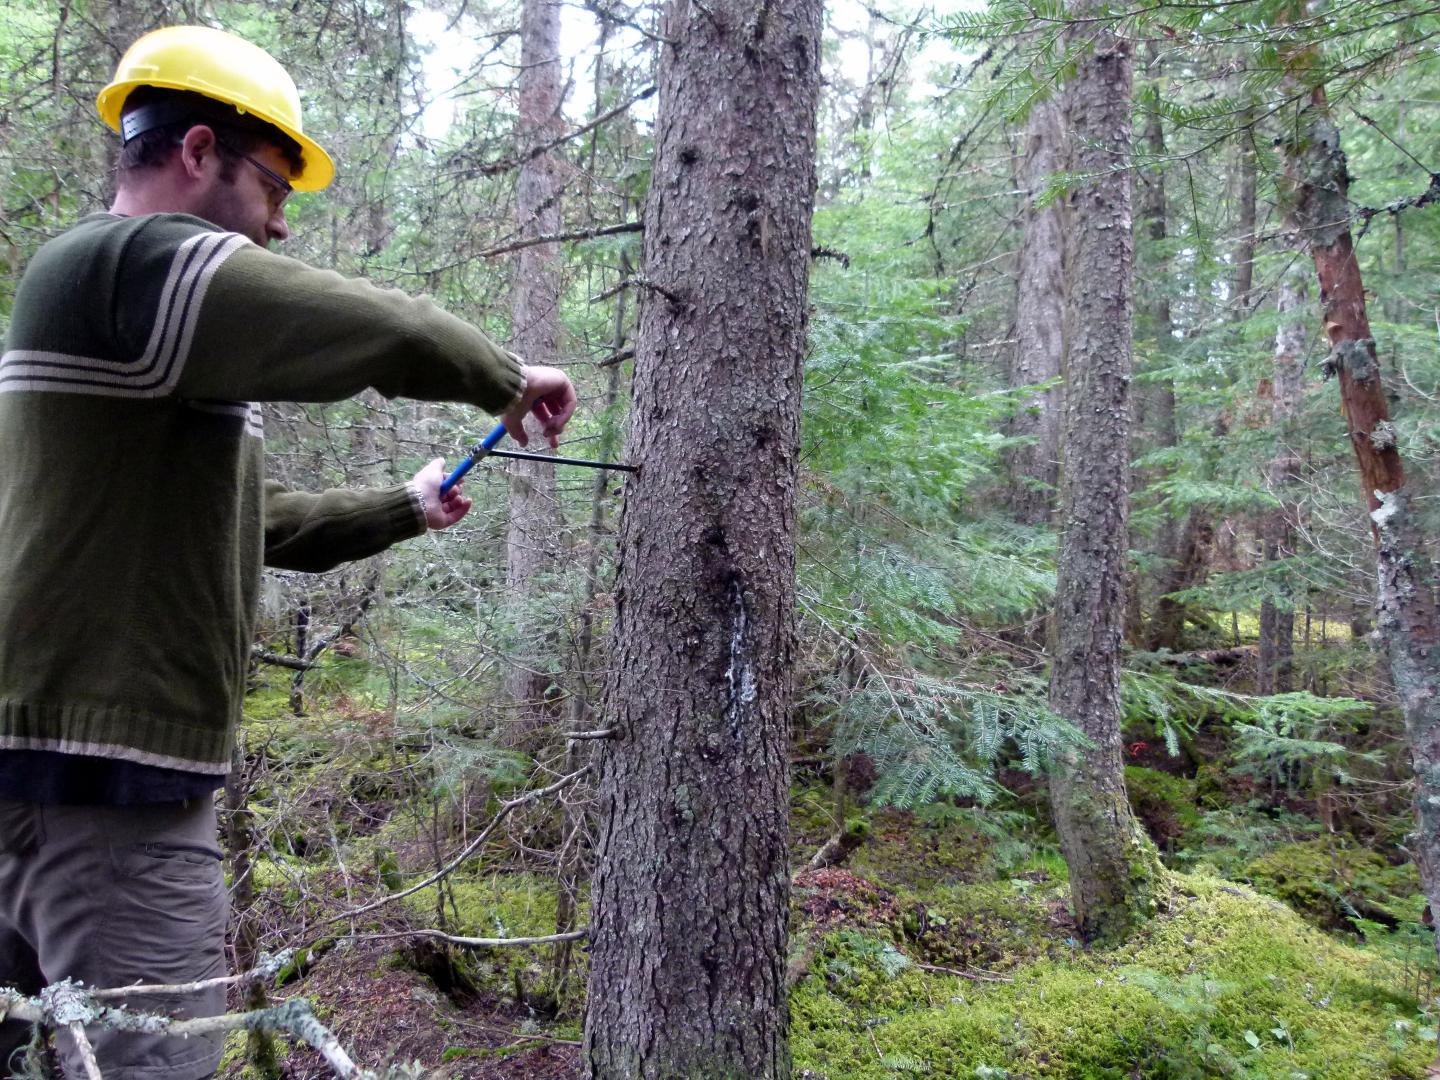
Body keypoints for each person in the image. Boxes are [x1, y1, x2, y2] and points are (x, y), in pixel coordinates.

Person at [0, 24, 576, 1080]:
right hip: (112, 791)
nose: (279, 219)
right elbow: (378, 329)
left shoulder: (134, 334)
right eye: (275, 183)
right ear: (199, 150)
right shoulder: (125, 262)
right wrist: (501, 374)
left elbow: (249, 527)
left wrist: (400, 505)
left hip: (55, 766)